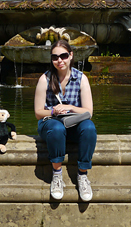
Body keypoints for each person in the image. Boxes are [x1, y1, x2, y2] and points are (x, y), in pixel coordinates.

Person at [34, 39, 96, 202]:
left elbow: (89, 112)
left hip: (73, 124)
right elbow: (38, 112)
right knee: (56, 129)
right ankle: (57, 175)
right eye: (55, 57)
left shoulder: (81, 78)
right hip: (50, 123)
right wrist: (53, 111)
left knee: (89, 127)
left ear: (71, 56)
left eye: (63, 56)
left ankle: (82, 176)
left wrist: (70, 107)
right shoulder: (45, 79)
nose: (59, 60)